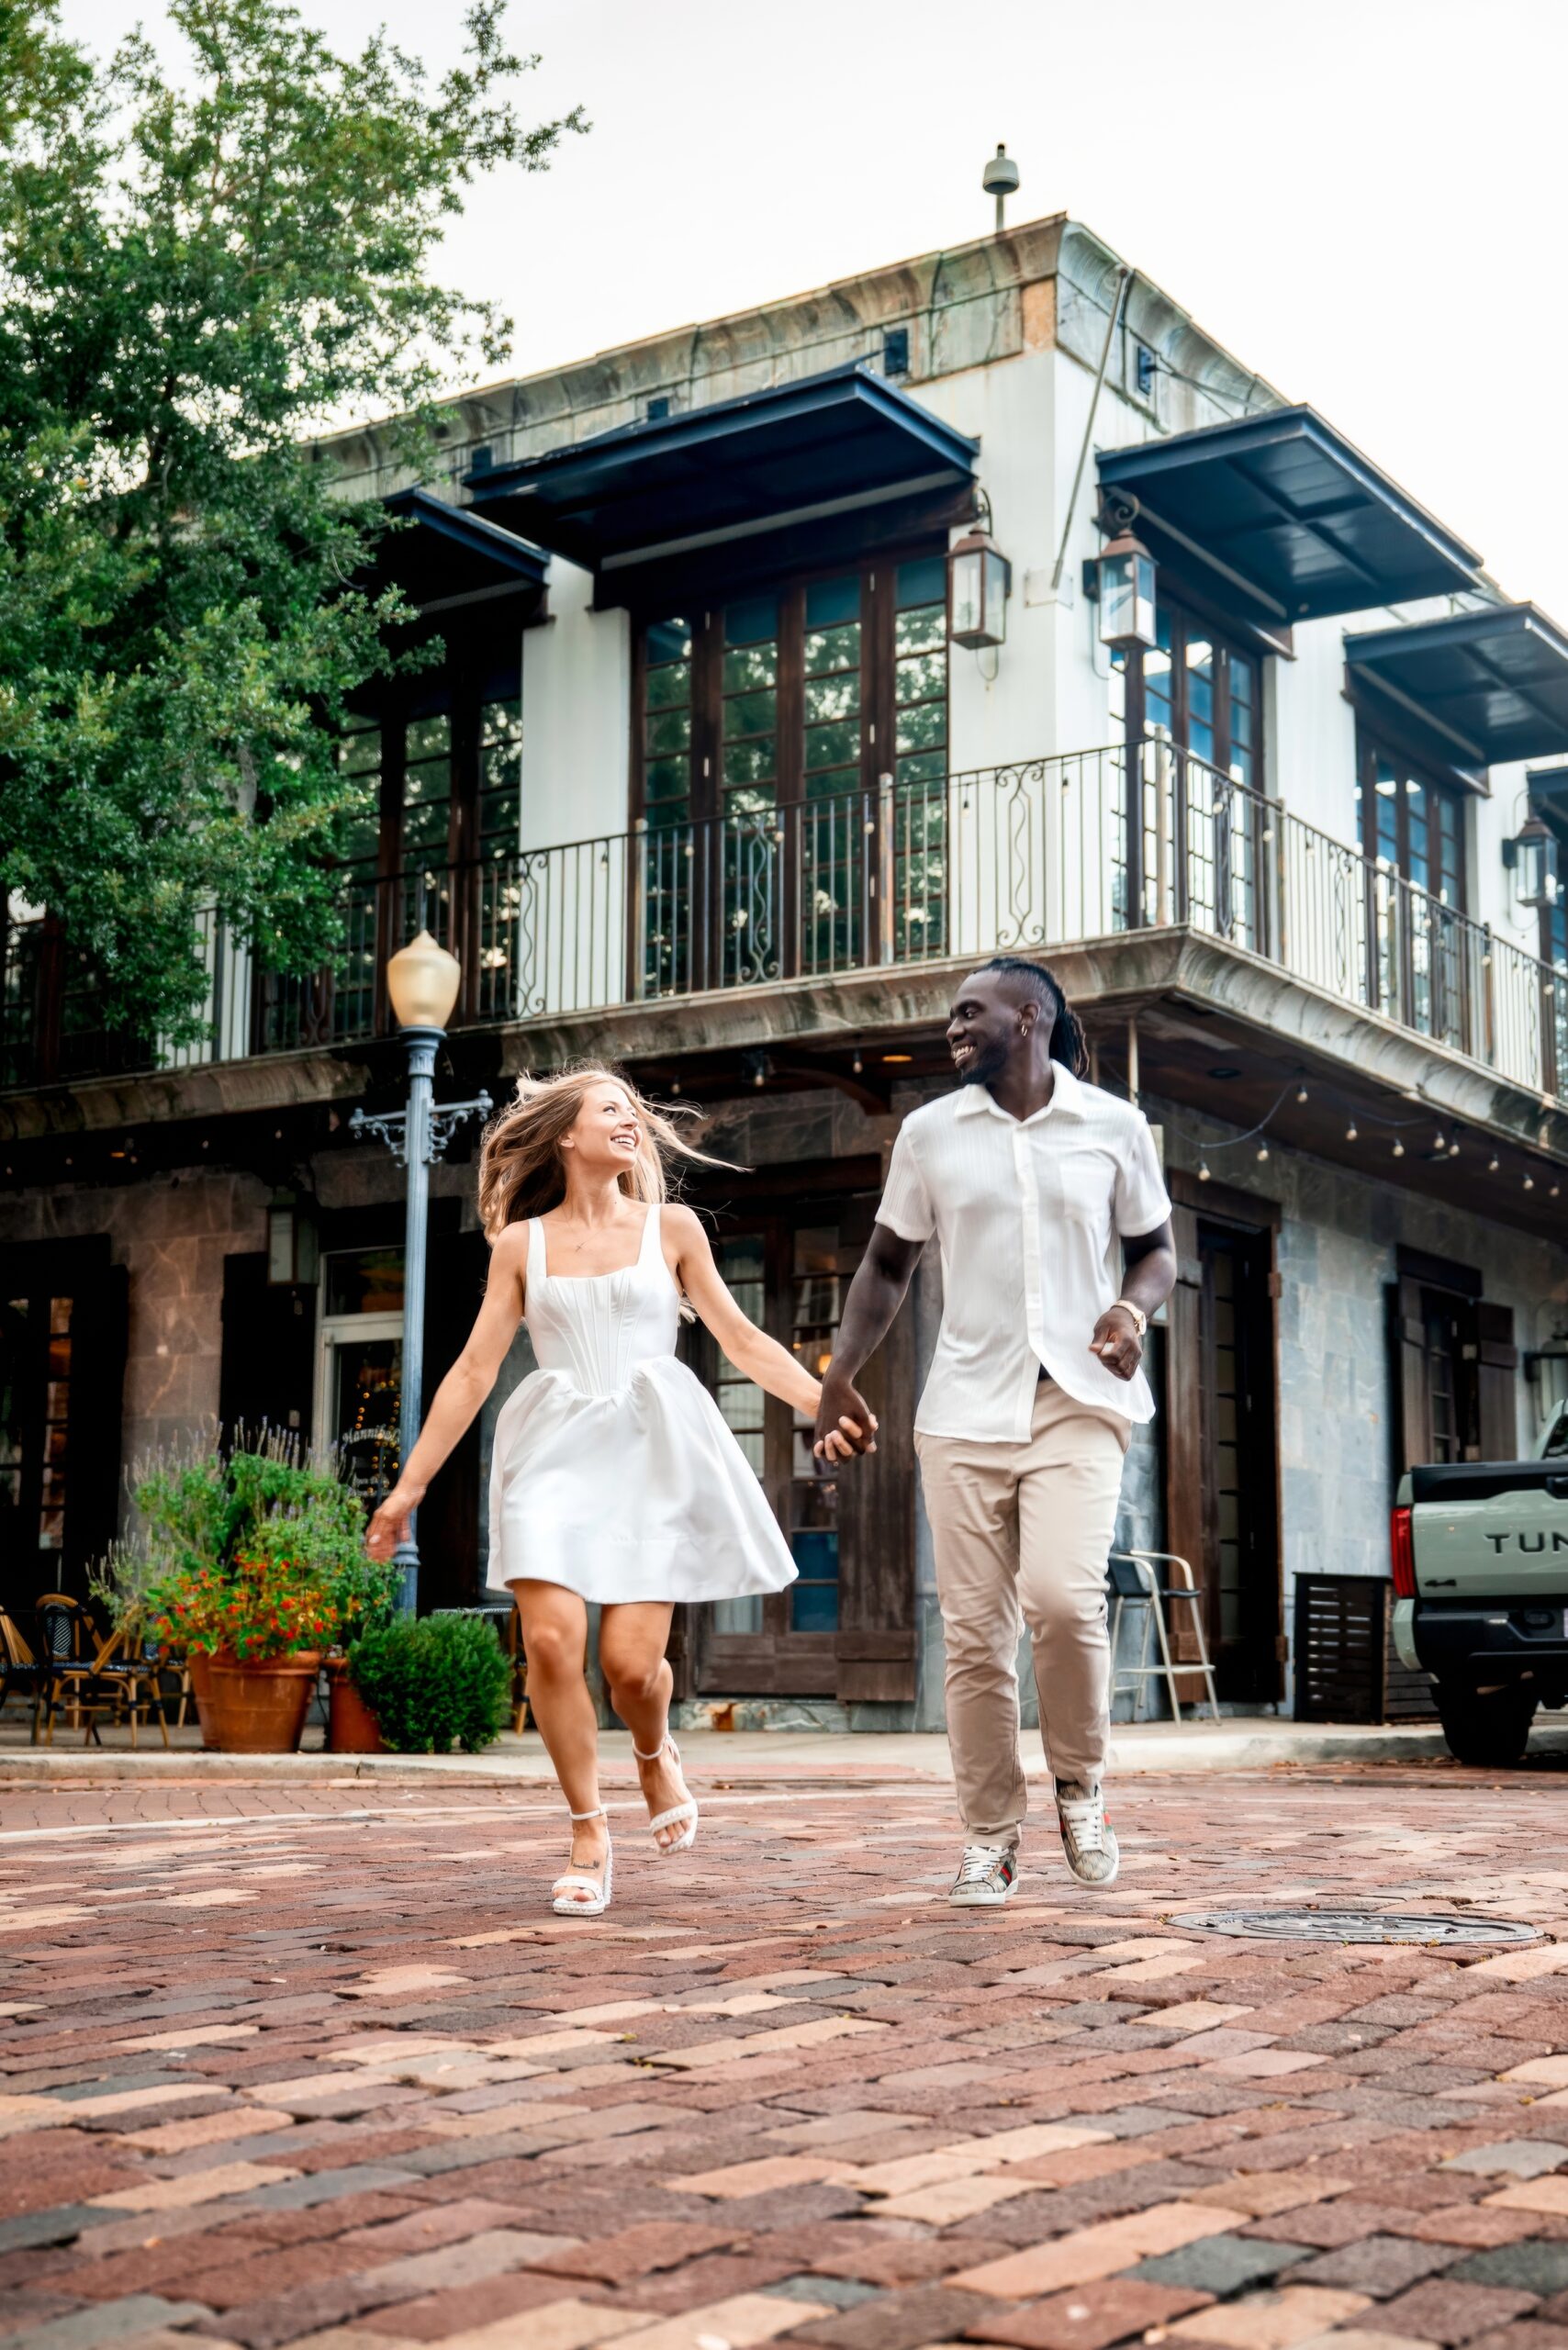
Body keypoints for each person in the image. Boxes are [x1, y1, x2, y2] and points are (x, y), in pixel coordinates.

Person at [367, 1066, 860, 1918]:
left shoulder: (672, 1229)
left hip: (649, 1452)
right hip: (552, 1448)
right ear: (566, 1134)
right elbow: (475, 1370)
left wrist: (827, 1403)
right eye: (611, 1111)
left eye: (634, 1114)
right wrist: (406, 1490)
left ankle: (654, 1746)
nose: (630, 1124)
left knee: (631, 1670)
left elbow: (741, 1340)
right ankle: (588, 1829)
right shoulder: (520, 1245)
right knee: (552, 1647)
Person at [814, 958, 1176, 1901]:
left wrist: (1130, 1315)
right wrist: (839, 1375)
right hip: (965, 1410)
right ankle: (988, 1833)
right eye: (950, 1015)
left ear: (1030, 1017)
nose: (952, 1028)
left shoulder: (1113, 1126)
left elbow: (1154, 1252)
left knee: (1061, 1600)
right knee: (974, 1638)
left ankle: (1081, 1783)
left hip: (1078, 1397)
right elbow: (887, 1265)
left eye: (969, 1013)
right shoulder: (931, 1134)